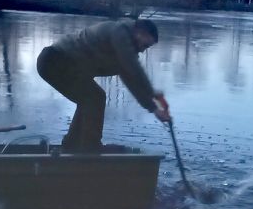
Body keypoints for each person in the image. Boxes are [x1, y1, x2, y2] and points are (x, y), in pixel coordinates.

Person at [36, 18, 171, 152]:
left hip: (60, 64)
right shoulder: (119, 33)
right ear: (140, 33)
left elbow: (131, 80)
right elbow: (134, 69)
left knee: (90, 98)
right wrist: (153, 100)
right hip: (54, 61)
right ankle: (90, 148)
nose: (143, 51)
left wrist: (152, 104)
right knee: (95, 97)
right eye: (145, 46)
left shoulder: (125, 47)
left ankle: (71, 146)